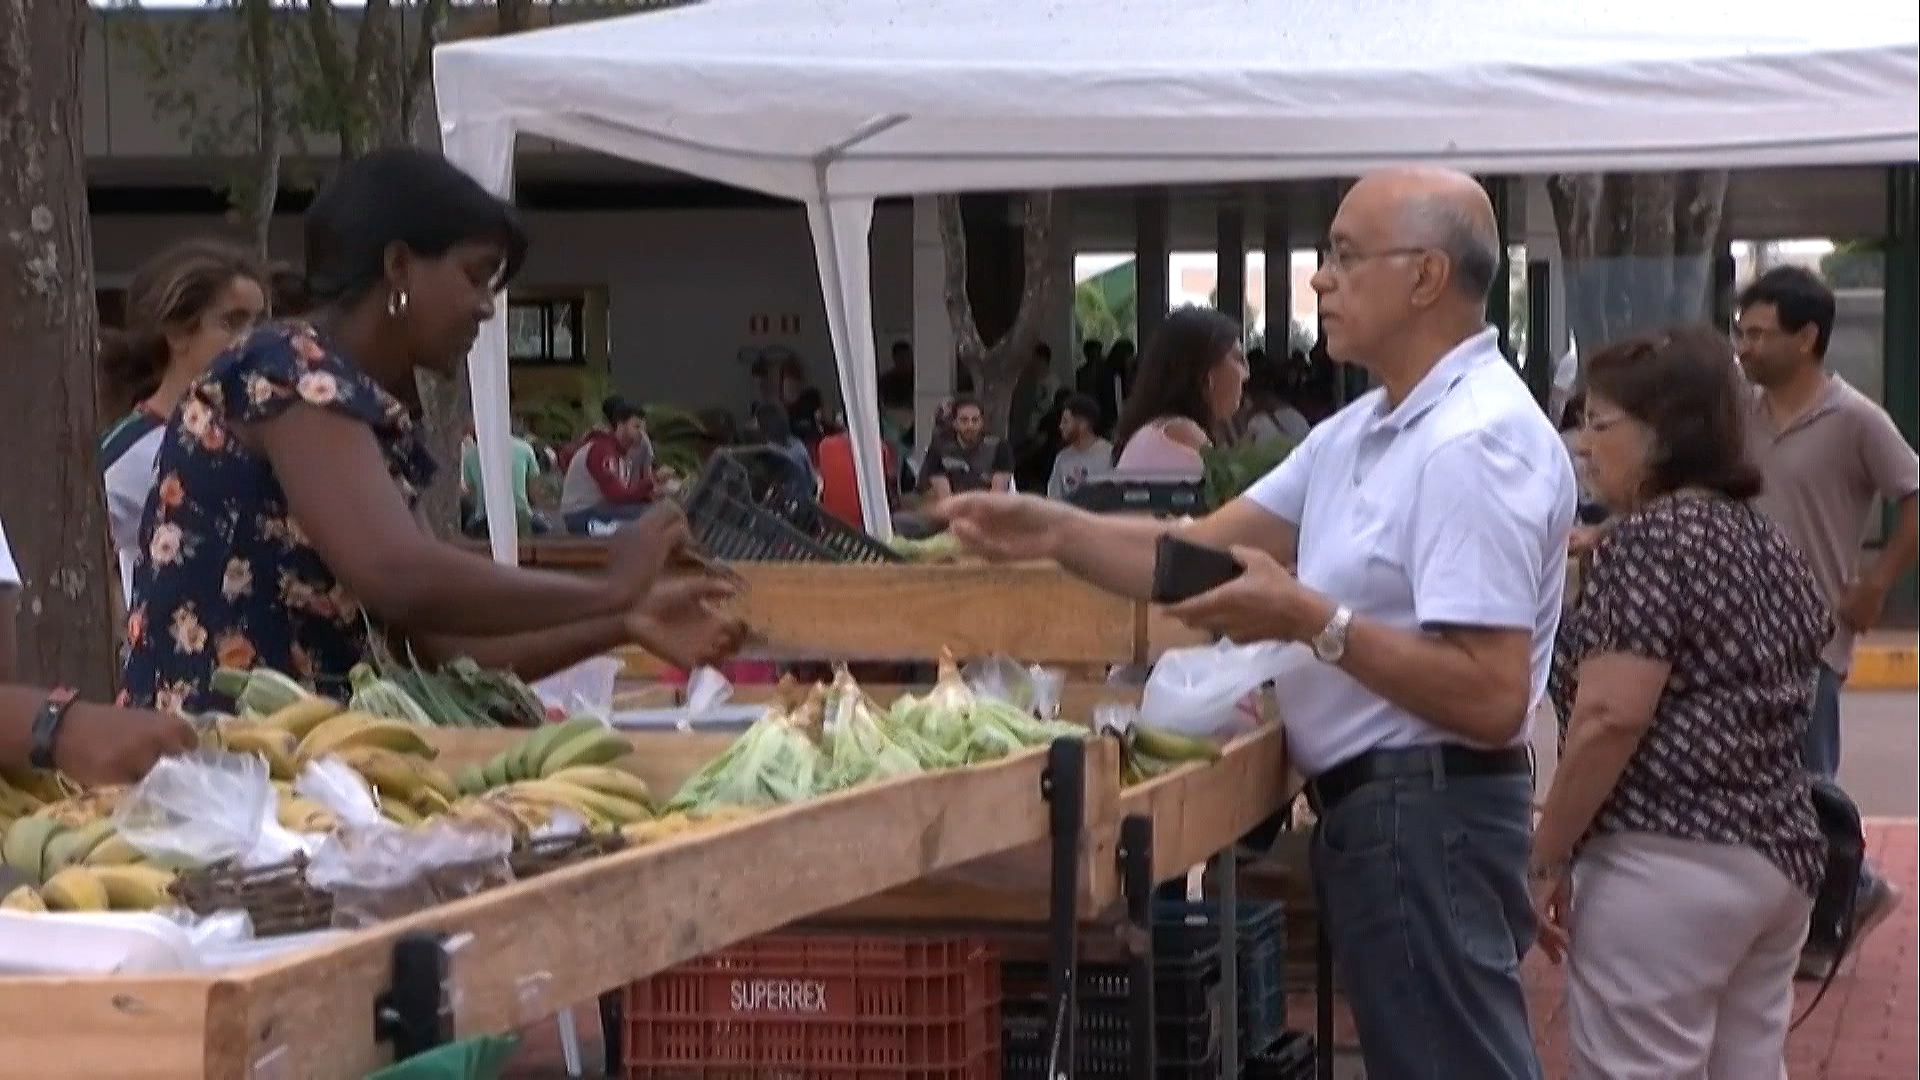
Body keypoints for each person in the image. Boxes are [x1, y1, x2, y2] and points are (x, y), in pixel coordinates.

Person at [939, 167, 1570, 1079]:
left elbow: (1489, 693)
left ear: (1426, 276)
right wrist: (1056, 531)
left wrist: (1312, 618)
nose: (1321, 279)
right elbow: (1197, 553)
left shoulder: (1474, 441)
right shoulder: (1363, 429)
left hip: (1430, 817)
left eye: (1345, 257)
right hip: (1386, 818)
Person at [118, 147, 745, 715]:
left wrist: (626, 618)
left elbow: (442, 643)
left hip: (288, 762)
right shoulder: (288, 368)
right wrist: (610, 585)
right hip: (213, 762)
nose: (486, 307)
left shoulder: (359, 405)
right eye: (475, 276)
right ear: (399, 266)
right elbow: (397, 575)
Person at [1532, 327, 1828, 1080]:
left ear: (1665, 436)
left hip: (1664, 862)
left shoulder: (1650, 542)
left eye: (1600, 424)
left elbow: (1610, 718)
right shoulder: (1767, 542)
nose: (1584, 445)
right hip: (1777, 862)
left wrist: (1545, 858)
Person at [1734, 265, 1918, 977]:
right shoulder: (1740, 413)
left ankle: (1853, 893)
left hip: (1812, 639)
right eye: (1741, 332)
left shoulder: (1857, 419)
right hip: (1736, 635)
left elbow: (1914, 492)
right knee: (1759, 784)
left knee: (1809, 785)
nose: (1745, 346)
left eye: (1760, 334)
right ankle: (1800, 918)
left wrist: (1876, 584)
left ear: (1807, 337)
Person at [98, 240, 269, 604]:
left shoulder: (264, 437)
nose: (251, 339)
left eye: (260, 323)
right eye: (232, 322)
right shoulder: (131, 449)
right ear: (178, 332)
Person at [1111, 306, 1248, 479]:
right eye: (1238, 359)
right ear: (1206, 371)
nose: (1246, 373)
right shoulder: (1182, 434)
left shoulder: (1163, 429)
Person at [558, 401, 657, 535]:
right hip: (581, 515)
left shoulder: (622, 455)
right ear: (620, 425)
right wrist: (650, 482)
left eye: (643, 429)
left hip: (599, 510)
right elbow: (616, 496)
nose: (641, 434)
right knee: (651, 516)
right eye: (636, 427)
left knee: (655, 511)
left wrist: (650, 494)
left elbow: (625, 495)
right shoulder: (601, 450)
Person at [459, 419, 547, 538]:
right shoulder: (525, 448)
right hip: (519, 511)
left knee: (468, 529)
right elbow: (534, 488)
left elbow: (472, 492)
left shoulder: (470, 454)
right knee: (543, 527)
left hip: (485, 515)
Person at [922, 396, 1014, 499]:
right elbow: (945, 497)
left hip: (989, 506)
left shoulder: (999, 448)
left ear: (982, 423)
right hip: (953, 506)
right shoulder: (938, 450)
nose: (970, 425)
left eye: (975, 420)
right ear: (954, 423)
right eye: (964, 420)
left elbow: (997, 495)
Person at [1045, 393, 1112, 500]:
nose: (1061, 426)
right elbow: (1053, 499)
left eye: (1066, 421)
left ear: (1083, 424)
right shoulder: (1062, 459)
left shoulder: (1109, 454)